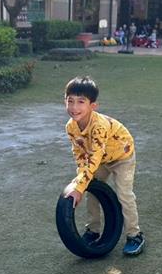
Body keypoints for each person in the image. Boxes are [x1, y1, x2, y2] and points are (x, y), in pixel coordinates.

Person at [62, 75, 145, 257]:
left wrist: (79, 186)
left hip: (122, 156)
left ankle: (134, 235)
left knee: (124, 195)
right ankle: (93, 230)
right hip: (101, 160)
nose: (74, 107)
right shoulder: (71, 127)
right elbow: (79, 153)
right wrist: (81, 182)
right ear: (65, 101)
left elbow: (94, 156)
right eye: (70, 101)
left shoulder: (99, 126)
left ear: (93, 106)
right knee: (92, 190)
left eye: (81, 102)